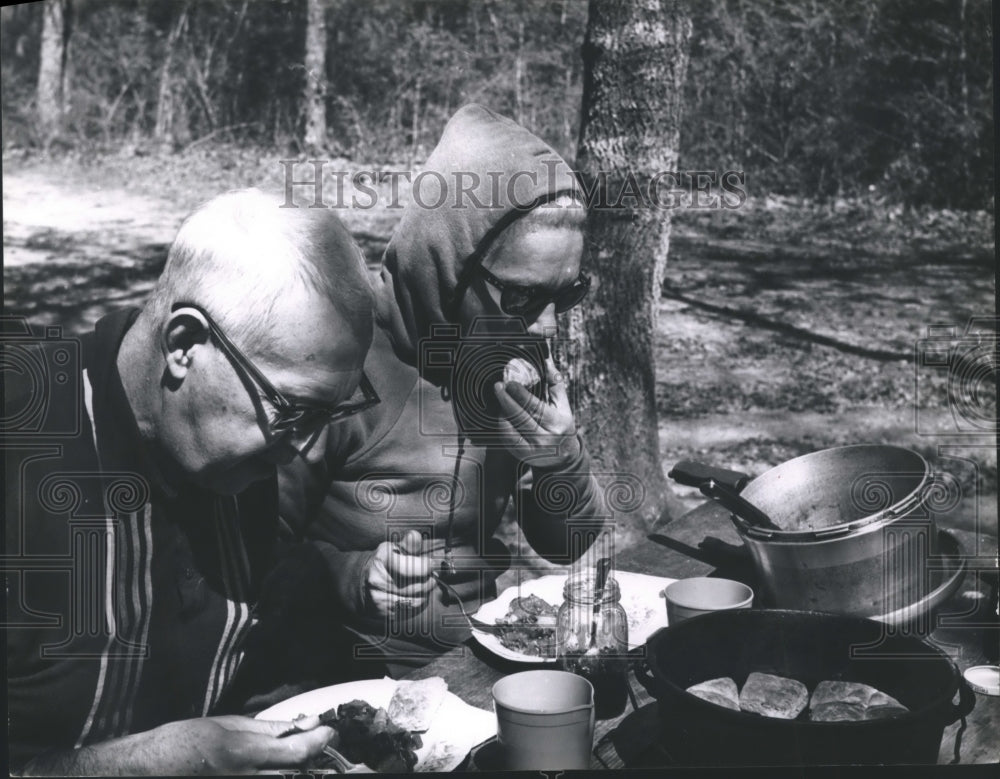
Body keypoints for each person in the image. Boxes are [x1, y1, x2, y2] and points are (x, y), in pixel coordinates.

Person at [3, 189, 377, 774]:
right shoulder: (21, 453)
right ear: (183, 345)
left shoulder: (234, 458)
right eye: (294, 408)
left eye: (329, 413)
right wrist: (138, 765)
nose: (305, 447)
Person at [278, 104, 608, 676]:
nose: (548, 326)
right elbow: (243, 554)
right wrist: (355, 578)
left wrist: (560, 461)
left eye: (567, 294)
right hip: (349, 668)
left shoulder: (508, 350)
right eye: (524, 296)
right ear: (447, 264)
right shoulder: (335, 354)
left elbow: (567, 544)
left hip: (489, 656)